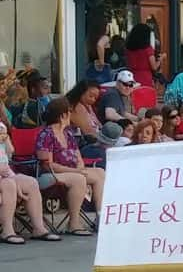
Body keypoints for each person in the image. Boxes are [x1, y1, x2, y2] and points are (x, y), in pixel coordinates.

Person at [35, 97, 106, 236]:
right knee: (78, 178)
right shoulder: (46, 135)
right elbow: (47, 165)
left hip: (72, 172)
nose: (72, 116)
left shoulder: (68, 133)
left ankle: (100, 218)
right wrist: (76, 171)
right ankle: (73, 223)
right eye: (69, 112)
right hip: (48, 175)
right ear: (62, 115)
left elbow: (78, 156)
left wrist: (81, 167)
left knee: (100, 172)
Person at [0, 121, 53, 244]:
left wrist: (5, 137)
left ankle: (38, 228)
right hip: (5, 178)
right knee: (9, 184)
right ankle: (7, 231)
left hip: (6, 174)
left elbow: (10, 151)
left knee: (31, 183)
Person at [124, 23, 160, 88]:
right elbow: (154, 67)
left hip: (131, 76)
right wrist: (160, 59)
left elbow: (127, 63)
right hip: (145, 78)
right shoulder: (148, 49)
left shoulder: (129, 49)